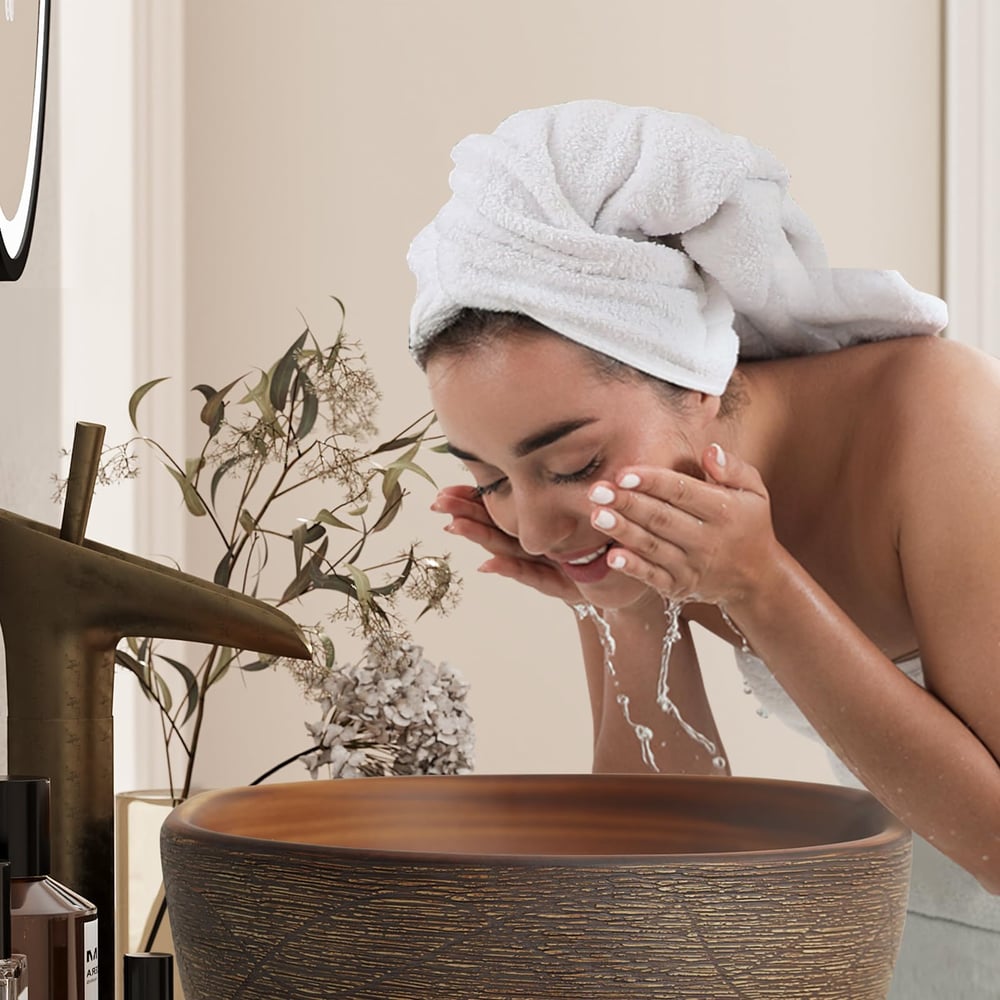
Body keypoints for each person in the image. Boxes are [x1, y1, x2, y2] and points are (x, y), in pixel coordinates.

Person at [406, 100, 1000, 998]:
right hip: (921, 930)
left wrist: (765, 588)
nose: (532, 528)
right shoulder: (656, 514)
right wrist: (630, 606)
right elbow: (661, 865)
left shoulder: (937, 417)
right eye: (491, 478)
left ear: (700, 384)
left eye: (573, 463)